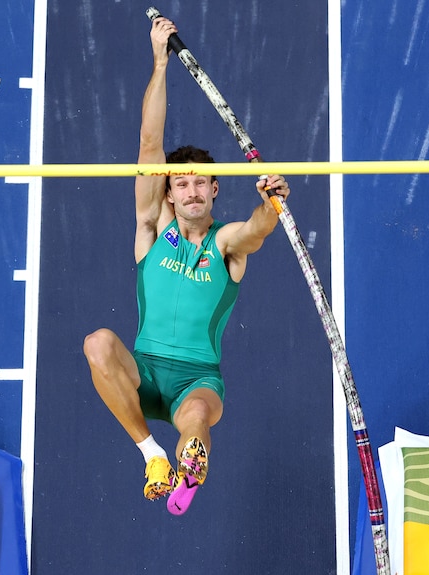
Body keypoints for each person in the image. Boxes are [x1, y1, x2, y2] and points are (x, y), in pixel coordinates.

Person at [83, 15, 291, 516]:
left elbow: (257, 229)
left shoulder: (225, 244)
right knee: (97, 344)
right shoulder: (151, 229)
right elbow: (149, 146)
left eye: (201, 182)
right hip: (144, 370)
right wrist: (160, 60)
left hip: (196, 381)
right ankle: (152, 455)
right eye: (181, 184)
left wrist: (272, 203)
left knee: (196, 417)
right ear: (170, 194)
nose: (192, 190)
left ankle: (189, 463)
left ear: (216, 188)